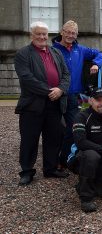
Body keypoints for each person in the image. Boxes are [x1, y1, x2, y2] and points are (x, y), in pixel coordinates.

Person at [14, 21, 71, 186]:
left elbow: (66, 74)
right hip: (32, 105)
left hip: (54, 104)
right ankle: (26, 171)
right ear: (31, 35)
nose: (42, 37)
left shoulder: (55, 52)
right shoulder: (23, 54)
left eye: (44, 34)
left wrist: (60, 89)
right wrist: (49, 91)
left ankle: (51, 168)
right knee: (29, 139)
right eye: (38, 34)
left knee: (54, 138)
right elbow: (26, 79)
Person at [52, 20, 102, 169]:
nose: (70, 35)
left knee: (72, 128)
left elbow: (99, 54)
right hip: (55, 95)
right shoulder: (53, 50)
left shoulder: (80, 49)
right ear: (62, 32)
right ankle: (51, 161)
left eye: (73, 33)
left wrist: (96, 64)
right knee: (54, 130)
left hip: (73, 96)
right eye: (67, 32)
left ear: (77, 35)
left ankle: (64, 159)